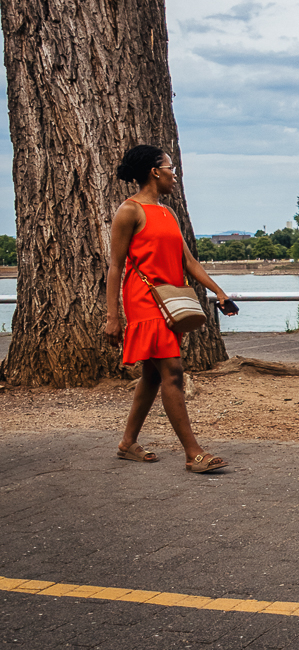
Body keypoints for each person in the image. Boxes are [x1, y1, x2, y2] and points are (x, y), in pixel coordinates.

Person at [105, 144, 234, 473]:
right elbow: (115, 267)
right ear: (154, 172)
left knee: (152, 374)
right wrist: (113, 316)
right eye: (170, 168)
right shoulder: (130, 211)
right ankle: (193, 453)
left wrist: (219, 292)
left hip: (170, 301)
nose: (174, 175)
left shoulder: (168, 213)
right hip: (144, 300)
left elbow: (188, 261)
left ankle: (127, 443)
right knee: (173, 372)